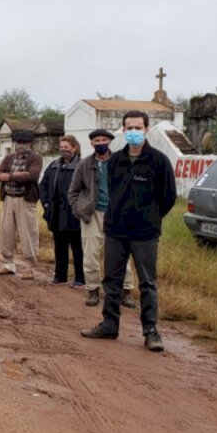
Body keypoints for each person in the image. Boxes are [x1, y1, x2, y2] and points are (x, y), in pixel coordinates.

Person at [81, 111, 177, 352]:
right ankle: (109, 324)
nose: (133, 131)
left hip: (145, 233)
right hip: (116, 231)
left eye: (138, 127)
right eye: (129, 128)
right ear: (123, 131)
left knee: (147, 283)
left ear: (146, 129)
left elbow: (168, 197)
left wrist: (150, 217)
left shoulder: (159, 161)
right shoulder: (114, 162)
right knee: (111, 280)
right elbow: (112, 193)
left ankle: (150, 330)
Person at [68, 129, 136, 307]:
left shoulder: (121, 162)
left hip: (117, 213)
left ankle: (126, 290)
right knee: (91, 253)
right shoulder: (84, 164)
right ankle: (92, 290)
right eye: (97, 140)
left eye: (104, 140)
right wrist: (79, 211)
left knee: (121, 254)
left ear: (110, 141)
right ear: (91, 144)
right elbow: (73, 191)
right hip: (92, 214)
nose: (100, 143)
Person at [0, 129, 43, 280]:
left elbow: (32, 176)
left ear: (31, 143)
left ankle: (29, 267)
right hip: (9, 198)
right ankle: (8, 264)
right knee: (6, 231)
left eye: (25, 142)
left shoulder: (36, 158)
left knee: (28, 233)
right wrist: (17, 176)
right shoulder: (9, 157)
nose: (21, 145)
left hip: (25, 199)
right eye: (19, 142)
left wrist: (9, 176)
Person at [39, 135, 85, 287]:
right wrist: (46, 205)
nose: (63, 150)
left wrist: (80, 208)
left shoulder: (82, 166)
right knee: (59, 246)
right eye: (61, 147)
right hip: (56, 213)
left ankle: (80, 278)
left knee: (78, 247)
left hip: (74, 214)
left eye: (66, 147)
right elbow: (43, 186)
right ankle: (60, 276)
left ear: (74, 148)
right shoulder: (54, 166)